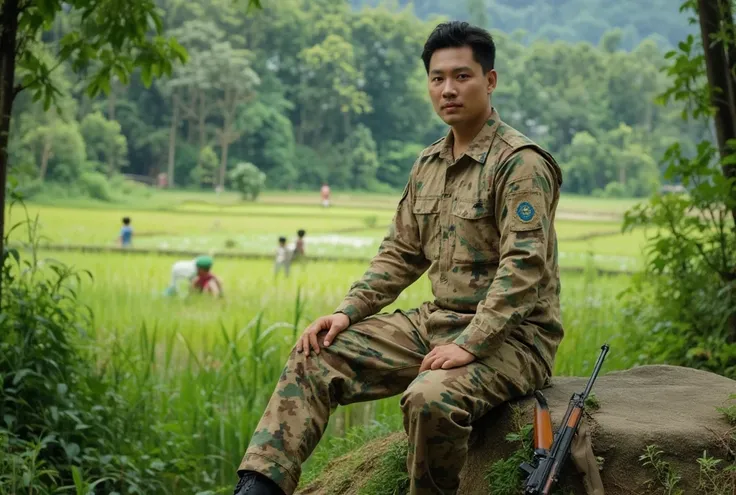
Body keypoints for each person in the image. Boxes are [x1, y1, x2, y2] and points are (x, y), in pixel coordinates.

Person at [233, 21, 563, 495]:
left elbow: (523, 269)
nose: (448, 89)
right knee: (315, 354)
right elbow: (400, 254)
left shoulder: (520, 163)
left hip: (515, 338)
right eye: (437, 78)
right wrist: (347, 313)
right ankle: (260, 487)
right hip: (437, 322)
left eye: (462, 76)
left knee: (429, 397)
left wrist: (470, 343)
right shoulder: (429, 164)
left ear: (490, 81)